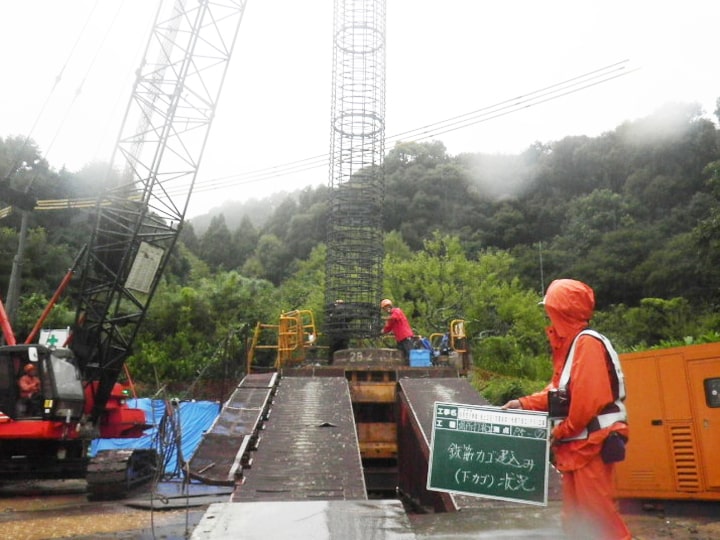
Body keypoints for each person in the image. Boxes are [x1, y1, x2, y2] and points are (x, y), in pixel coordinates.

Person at [502, 279, 631, 540]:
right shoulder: (572, 347)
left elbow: (586, 402)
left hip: (591, 444)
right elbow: (559, 393)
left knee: (599, 519)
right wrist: (523, 403)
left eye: (549, 309)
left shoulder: (586, 344)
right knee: (577, 520)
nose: (547, 315)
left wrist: (561, 431)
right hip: (579, 448)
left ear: (560, 310)